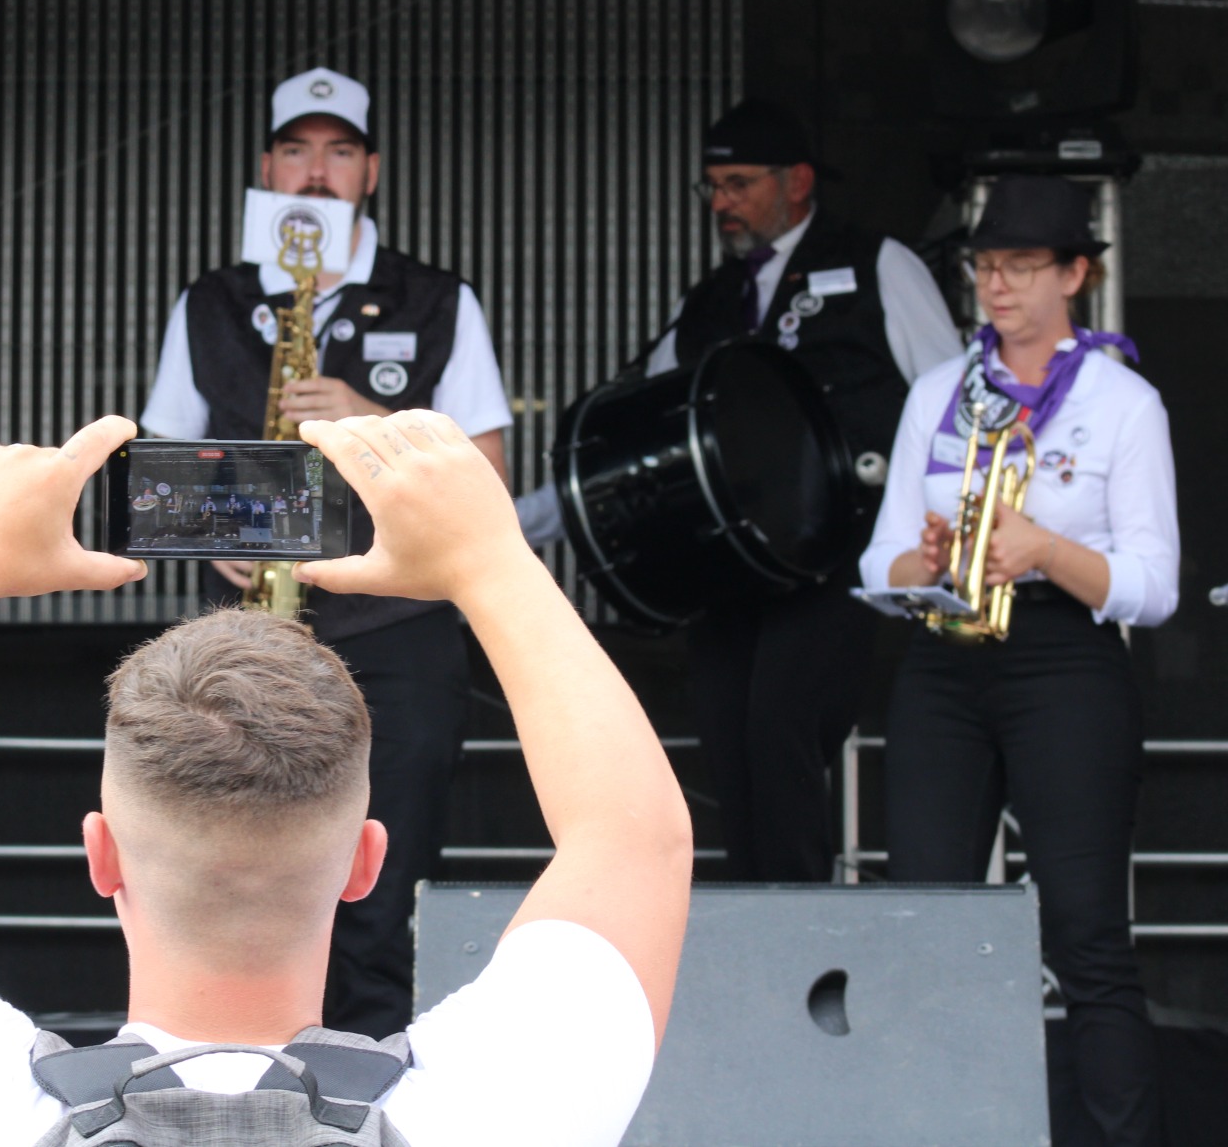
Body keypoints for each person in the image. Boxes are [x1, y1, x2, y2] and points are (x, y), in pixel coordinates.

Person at [0, 409, 693, 1145]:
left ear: (101, 856)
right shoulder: (489, 1116)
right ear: (365, 864)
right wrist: (492, 563)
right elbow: (632, 839)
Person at [140, 68, 515, 1035]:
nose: (317, 172)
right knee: (241, 887)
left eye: (340, 151)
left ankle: (373, 1086)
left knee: (383, 899)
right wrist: (216, 528)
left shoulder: (437, 299)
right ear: (267, 168)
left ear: (371, 170)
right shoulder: (213, 300)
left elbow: (490, 479)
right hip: (247, 645)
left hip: (399, 632)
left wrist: (372, 417)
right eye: (298, 150)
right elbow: (158, 474)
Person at [519, 99, 962, 883]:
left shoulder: (878, 262)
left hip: (836, 563)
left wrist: (946, 533)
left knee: (781, 727)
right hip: (729, 574)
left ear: (797, 181)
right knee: (725, 740)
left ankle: (797, 925)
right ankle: (757, 920)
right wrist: (514, 524)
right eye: (712, 186)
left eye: (738, 184)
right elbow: (630, 446)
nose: (721, 202)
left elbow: (950, 401)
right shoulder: (708, 300)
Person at [861, 174, 1177, 1147]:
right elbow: (878, 563)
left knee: (1085, 930)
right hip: (943, 652)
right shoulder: (938, 391)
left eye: (1020, 266)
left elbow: (1154, 584)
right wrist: (927, 559)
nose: (995, 285)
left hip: (1063, 657)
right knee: (926, 920)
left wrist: (1042, 549)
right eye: (985, 266)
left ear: (1074, 274)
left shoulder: (1123, 402)